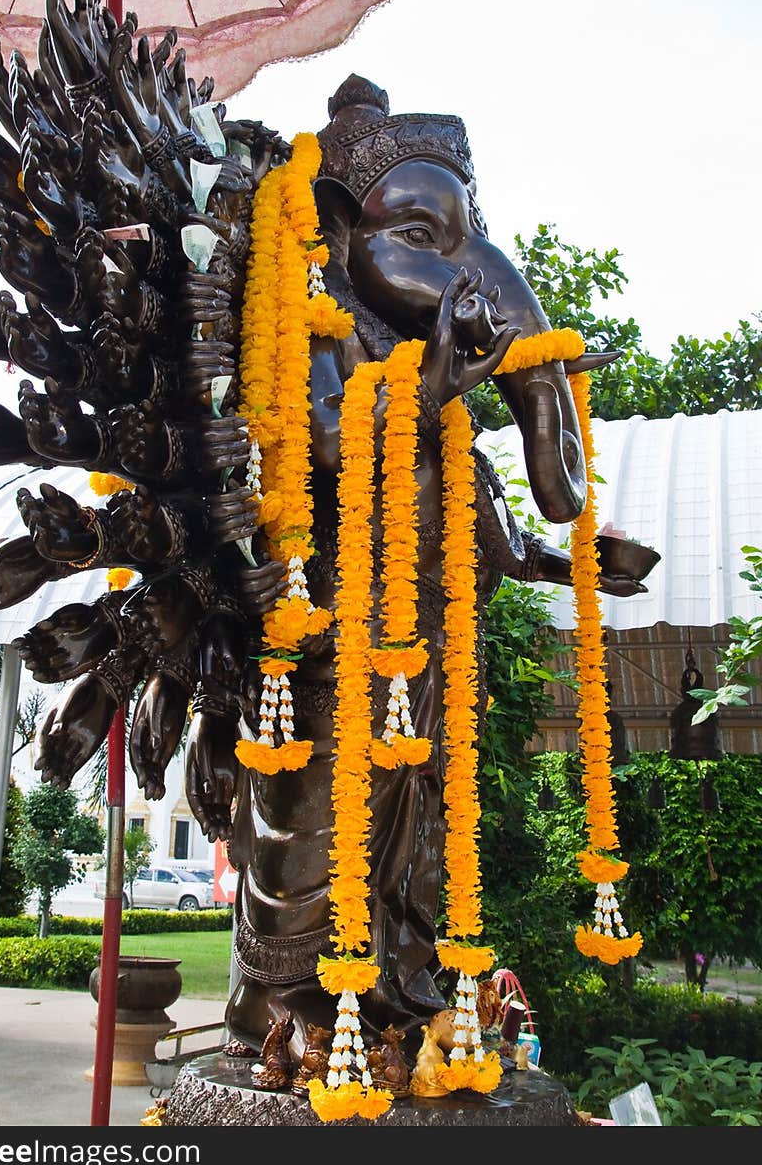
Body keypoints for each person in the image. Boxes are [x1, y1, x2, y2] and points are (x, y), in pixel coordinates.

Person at [184, 76, 648, 1057]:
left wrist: (555, 558)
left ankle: (393, 989)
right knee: (313, 801)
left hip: (423, 644)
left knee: (412, 823)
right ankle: (276, 1001)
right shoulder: (313, 324)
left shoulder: (421, 358)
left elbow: (470, 499)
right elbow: (324, 444)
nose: (463, 267)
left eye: (465, 234)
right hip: (332, 625)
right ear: (344, 230)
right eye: (423, 236)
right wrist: (438, 375)